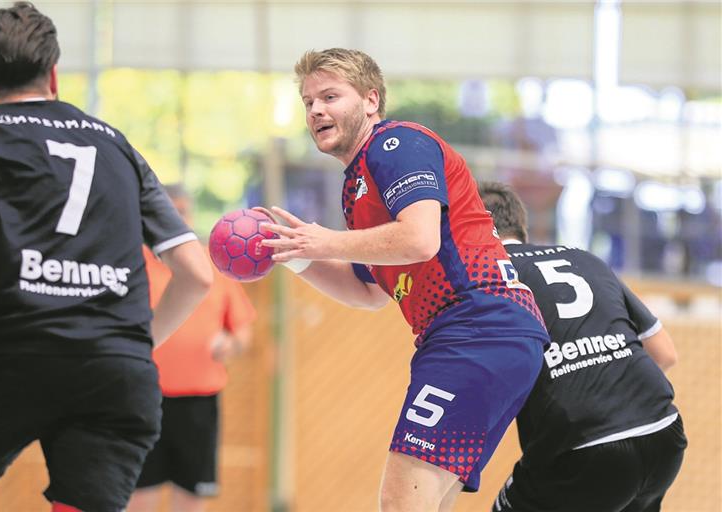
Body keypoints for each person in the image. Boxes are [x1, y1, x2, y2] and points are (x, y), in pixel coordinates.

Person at [258, 48, 550, 511]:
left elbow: (419, 239)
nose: (315, 111)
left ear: (371, 100)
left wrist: (325, 241)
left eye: (330, 97)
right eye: (308, 102)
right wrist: (293, 255)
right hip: (481, 333)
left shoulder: (395, 144)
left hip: (478, 326)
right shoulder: (357, 187)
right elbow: (368, 293)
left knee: (400, 503)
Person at [0, 3, 214, 512]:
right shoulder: (117, 145)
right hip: (118, 374)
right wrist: (136, 346)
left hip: (16, 354)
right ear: (53, 75)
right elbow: (197, 274)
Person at [478, 181, 687, 512]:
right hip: (663, 434)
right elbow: (665, 354)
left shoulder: (488, 275)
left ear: (473, 227)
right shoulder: (585, 258)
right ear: (520, 224)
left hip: (583, 447)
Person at [128, 184, 257, 512]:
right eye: (169, 213)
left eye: (183, 212)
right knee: (140, 493)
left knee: (191, 495)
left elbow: (243, 331)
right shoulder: (132, 265)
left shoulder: (212, 265)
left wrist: (231, 344)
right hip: (143, 397)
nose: (177, 220)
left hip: (198, 402)